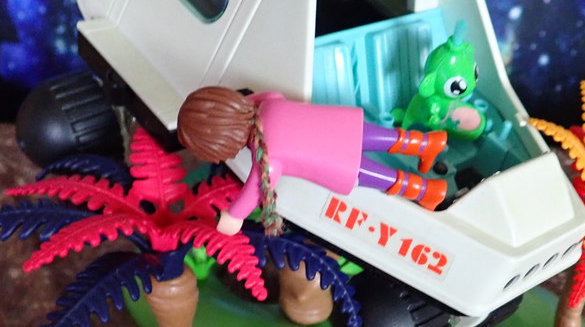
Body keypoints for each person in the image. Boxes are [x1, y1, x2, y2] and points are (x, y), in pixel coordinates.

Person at [176, 87, 448, 235]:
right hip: (345, 126)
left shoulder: (267, 156)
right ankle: (429, 144)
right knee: (390, 138)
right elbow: (272, 95)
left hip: (338, 163)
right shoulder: (268, 105)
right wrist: (242, 105)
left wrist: (234, 216)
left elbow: (256, 188)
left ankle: (427, 191)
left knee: (386, 178)